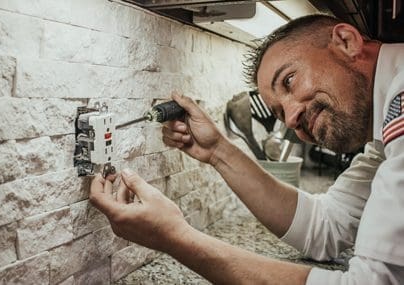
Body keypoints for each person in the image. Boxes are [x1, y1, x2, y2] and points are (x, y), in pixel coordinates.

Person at [90, 14, 404, 284]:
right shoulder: (384, 133)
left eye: (290, 80)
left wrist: (173, 236)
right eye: (280, 114)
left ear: (347, 41)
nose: (293, 116)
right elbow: (325, 227)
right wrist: (217, 151)